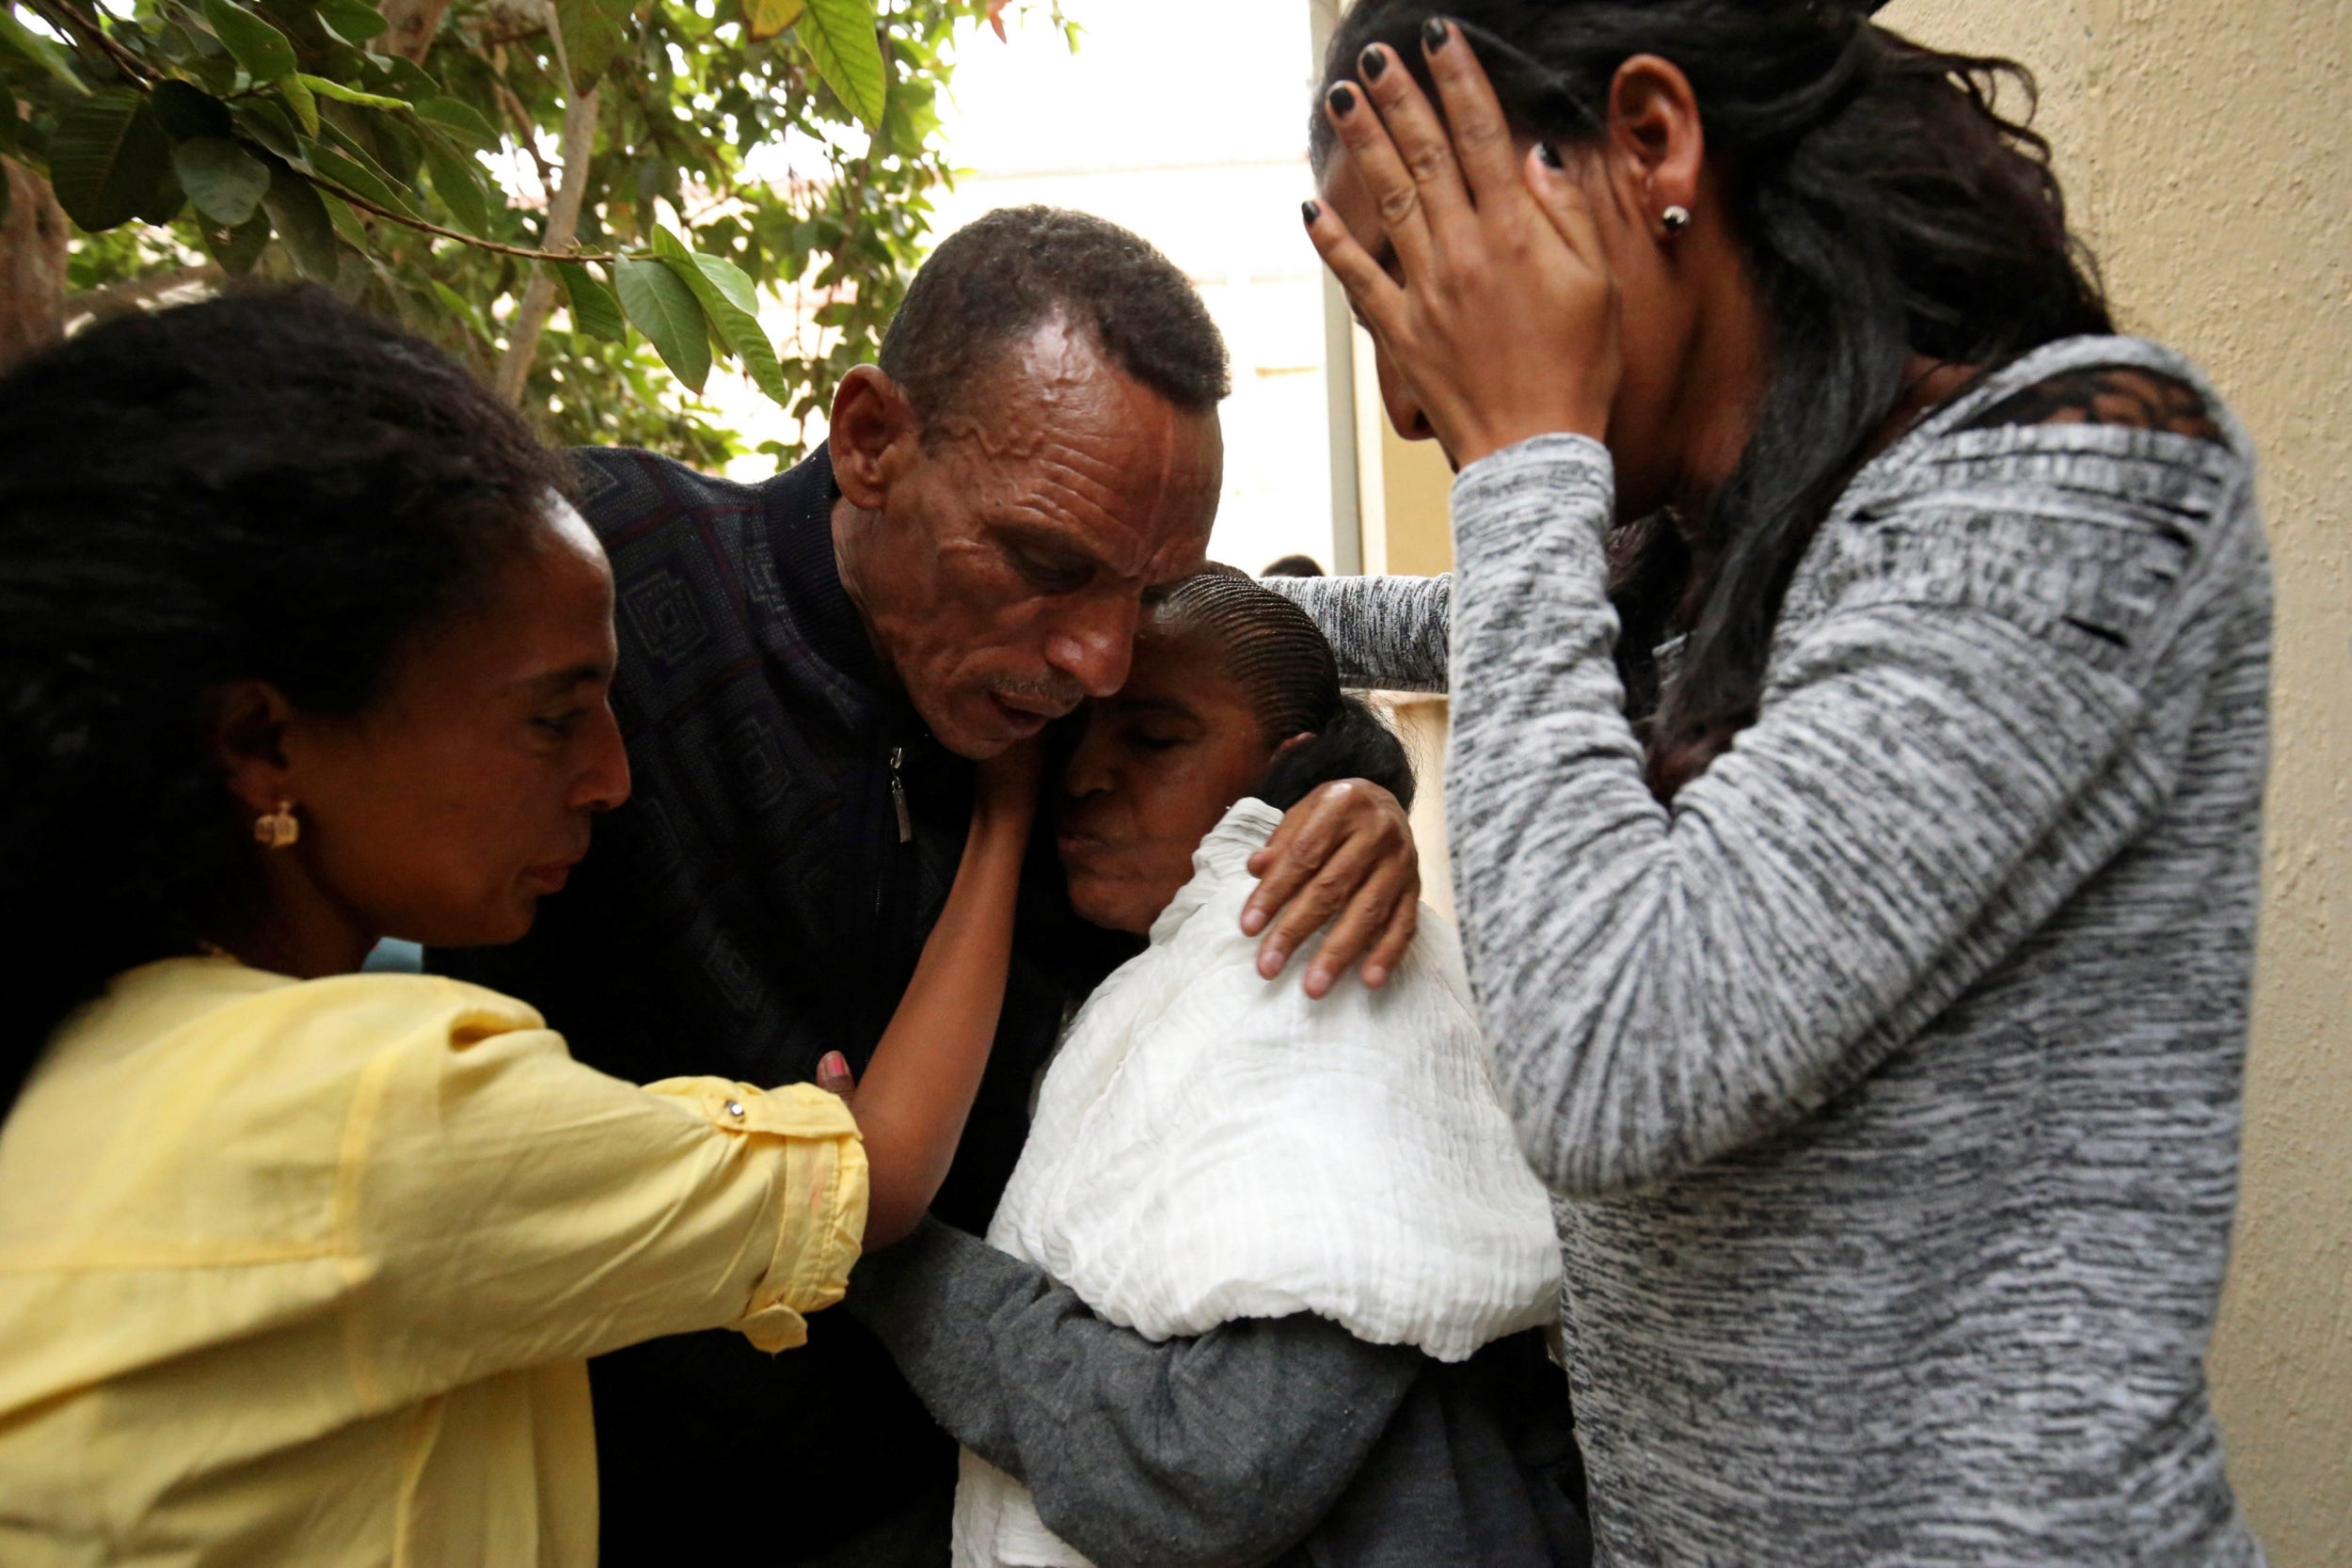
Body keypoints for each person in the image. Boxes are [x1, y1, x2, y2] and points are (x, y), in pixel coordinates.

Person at [1268, 5, 2271, 1563]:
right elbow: (1460, 626)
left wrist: (1522, 459)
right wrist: (1156, 618)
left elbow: (1613, 1058)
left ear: (1654, 143)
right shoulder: (1705, 547)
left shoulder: (2083, 471)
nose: (1411, 390)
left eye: (1425, 279)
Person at [438, 205, 1429, 1564]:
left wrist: (1361, 795)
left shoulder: (1070, 742)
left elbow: (1252, 682)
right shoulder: (609, 590)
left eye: (1144, 593)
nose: (1096, 658)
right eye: (1044, 562)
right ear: (869, 440)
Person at [0, 289, 1039, 1565]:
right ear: (264, 741)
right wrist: (1006, 808)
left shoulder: (87, 1035)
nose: (612, 775)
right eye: (554, 717)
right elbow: (873, 1178)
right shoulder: (379, 1099)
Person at [846, 572, 1589, 1568]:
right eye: (1076, 734)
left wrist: (876, 1240)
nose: (1082, 776)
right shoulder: (1131, 969)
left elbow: (1201, 1469)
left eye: (1153, 739)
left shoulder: (1320, 985)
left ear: (1286, 772)